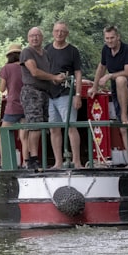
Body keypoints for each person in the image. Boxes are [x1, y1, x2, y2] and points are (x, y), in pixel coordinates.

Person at [88, 25, 128, 155]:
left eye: (112, 38)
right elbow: (101, 67)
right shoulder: (105, 50)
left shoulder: (127, 49)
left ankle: (124, 115)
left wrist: (109, 76)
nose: (109, 41)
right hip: (117, 89)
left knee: (120, 80)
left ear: (118, 37)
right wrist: (95, 86)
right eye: (107, 38)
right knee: (122, 127)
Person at [19, 26, 66, 169]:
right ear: (28, 38)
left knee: (45, 125)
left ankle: (43, 159)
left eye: (37, 35)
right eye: (32, 36)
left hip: (46, 92)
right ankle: (32, 159)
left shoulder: (46, 53)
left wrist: (60, 78)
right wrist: (54, 77)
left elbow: (49, 74)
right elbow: (34, 72)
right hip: (32, 91)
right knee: (35, 126)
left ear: (42, 37)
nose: (35, 38)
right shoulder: (27, 52)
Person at [45, 21, 84, 168]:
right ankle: (58, 162)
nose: (59, 34)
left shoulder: (73, 51)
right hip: (50, 95)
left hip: (67, 93)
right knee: (54, 128)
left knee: (71, 126)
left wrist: (78, 94)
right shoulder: (47, 49)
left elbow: (78, 73)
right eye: (56, 31)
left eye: (62, 31)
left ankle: (77, 161)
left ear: (66, 34)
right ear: (53, 32)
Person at [0, 43, 25, 166]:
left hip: (12, 106)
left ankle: (5, 163)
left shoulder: (6, 69)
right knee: (25, 136)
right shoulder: (27, 67)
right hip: (26, 105)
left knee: (4, 133)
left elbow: (2, 89)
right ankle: (25, 163)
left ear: (9, 56)